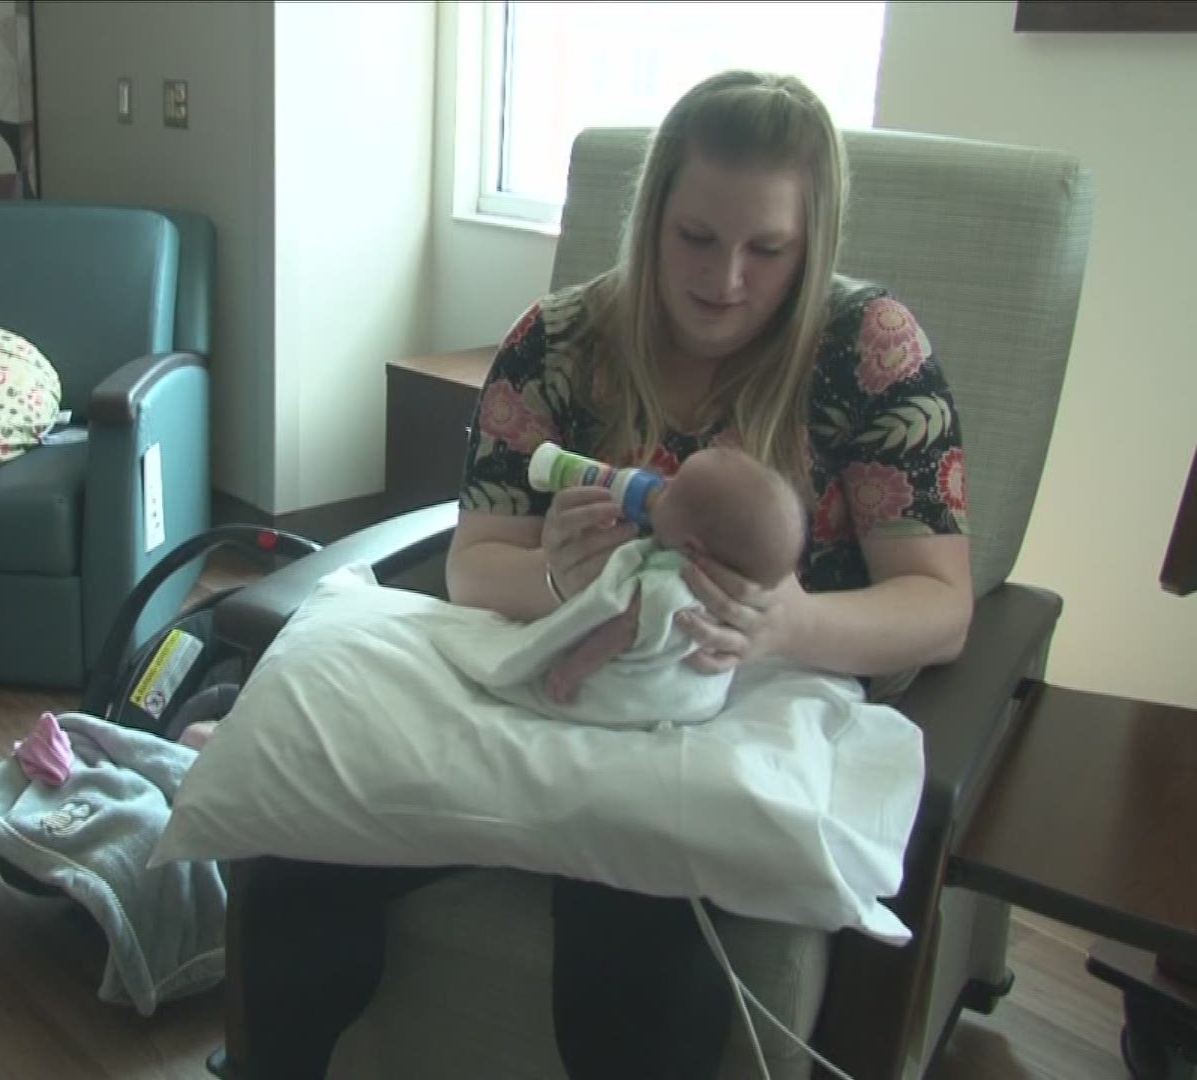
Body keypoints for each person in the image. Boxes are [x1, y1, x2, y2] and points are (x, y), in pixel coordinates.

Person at [229, 70, 972, 1080]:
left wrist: (787, 625)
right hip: (543, 680)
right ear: (652, 213)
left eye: (770, 249)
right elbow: (475, 565)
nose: (727, 280)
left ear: (815, 242)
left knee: (631, 935)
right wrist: (553, 578)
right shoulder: (558, 344)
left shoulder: (868, 354)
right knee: (294, 868)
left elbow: (939, 604)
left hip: (730, 711)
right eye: (697, 239)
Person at [538, 445, 806, 708]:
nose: (660, 480)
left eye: (670, 490)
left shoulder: (668, 587)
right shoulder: (713, 570)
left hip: (646, 700)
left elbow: (623, 628)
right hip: (702, 701)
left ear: (690, 548)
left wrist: (568, 672)